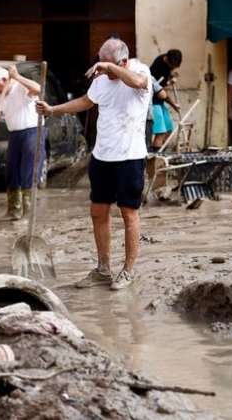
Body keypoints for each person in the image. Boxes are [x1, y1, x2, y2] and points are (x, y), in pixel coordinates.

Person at [36, 38, 151, 291]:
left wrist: (111, 69)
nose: (100, 70)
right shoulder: (101, 80)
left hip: (130, 156)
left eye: (106, 66)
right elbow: (86, 102)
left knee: (128, 214)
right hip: (102, 156)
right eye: (99, 64)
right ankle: (103, 268)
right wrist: (53, 110)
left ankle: (128, 270)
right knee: (98, 212)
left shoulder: (140, 71)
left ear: (122, 62)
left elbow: (139, 83)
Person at [0, 64, 43, 221]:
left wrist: (17, 77)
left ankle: (29, 213)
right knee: (12, 171)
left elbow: (38, 88)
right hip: (15, 134)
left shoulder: (21, 88)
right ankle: (14, 210)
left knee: (28, 172)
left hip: (32, 132)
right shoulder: (0, 95)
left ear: (5, 80)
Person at [149, 50, 183, 150]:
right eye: (172, 66)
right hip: (154, 102)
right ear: (167, 59)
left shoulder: (167, 60)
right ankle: (155, 159)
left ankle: (161, 153)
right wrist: (174, 105)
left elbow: (163, 81)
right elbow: (161, 94)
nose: (173, 68)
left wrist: (170, 79)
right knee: (161, 133)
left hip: (160, 101)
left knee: (168, 129)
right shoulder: (157, 67)